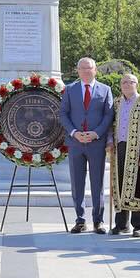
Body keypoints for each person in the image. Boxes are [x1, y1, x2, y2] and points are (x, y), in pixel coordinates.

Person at [59, 57, 114, 233]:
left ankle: (98, 221)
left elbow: (108, 115)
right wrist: (74, 133)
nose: (86, 71)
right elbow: (63, 114)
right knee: (77, 183)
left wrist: (96, 133)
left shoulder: (105, 90)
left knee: (97, 183)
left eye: (89, 68)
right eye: (82, 68)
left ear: (95, 70)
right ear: (78, 71)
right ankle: (80, 220)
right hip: (76, 143)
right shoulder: (69, 90)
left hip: (96, 143)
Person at [108, 73, 140, 236]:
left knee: (139, 185)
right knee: (120, 185)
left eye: (131, 82)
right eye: (124, 82)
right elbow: (111, 124)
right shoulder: (117, 102)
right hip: (120, 149)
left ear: (137, 84)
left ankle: (139, 225)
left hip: (138, 151)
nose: (127, 85)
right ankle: (121, 224)